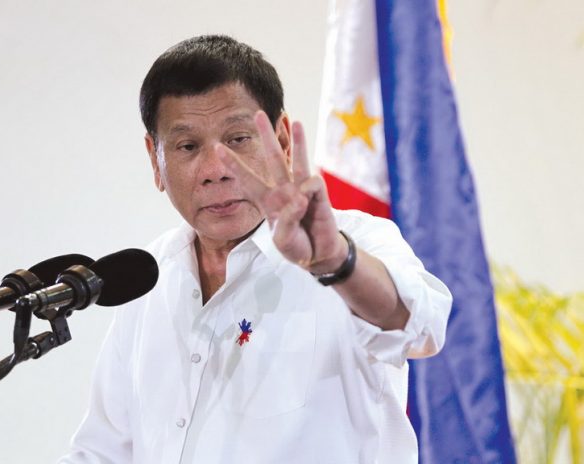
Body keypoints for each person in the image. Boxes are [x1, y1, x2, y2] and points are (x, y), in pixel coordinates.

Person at [59, 35, 451, 464]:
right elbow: (102, 452)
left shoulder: (353, 241)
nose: (214, 170)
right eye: (188, 146)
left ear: (282, 140)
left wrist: (336, 262)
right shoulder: (147, 279)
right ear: (156, 160)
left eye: (239, 139)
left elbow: (422, 326)